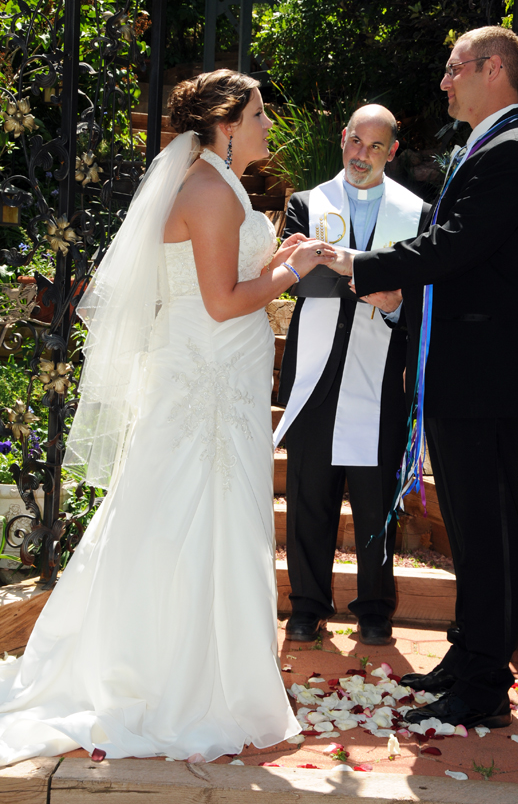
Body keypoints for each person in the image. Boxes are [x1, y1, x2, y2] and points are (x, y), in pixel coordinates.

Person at [0, 69, 336, 765]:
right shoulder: (212, 190)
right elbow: (221, 301)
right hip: (203, 386)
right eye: (259, 112)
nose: (269, 124)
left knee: (204, 520)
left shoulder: (221, 183)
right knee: (188, 519)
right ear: (225, 122)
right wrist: (291, 270)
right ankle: (179, 683)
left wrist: (277, 259)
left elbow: (221, 282)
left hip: (219, 380)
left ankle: (217, 679)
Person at [329, 27, 518, 727]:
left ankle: (487, 679)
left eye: (454, 67)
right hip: (467, 370)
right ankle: (469, 652)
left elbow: (453, 246)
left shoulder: (516, 153)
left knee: (486, 525)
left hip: (484, 374)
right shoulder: (493, 145)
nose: (443, 81)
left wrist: (358, 265)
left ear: (494, 69)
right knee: (468, 523)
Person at [275, 105, 426, 646]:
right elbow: (298, 282)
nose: (362, 155)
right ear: (343, 139)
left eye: (375, 147)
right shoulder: (305, 204)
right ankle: (308, 605)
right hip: (315, 371)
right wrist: (374, 281)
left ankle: (375, 607)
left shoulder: (417, 213)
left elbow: (419, 298)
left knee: (373, 493)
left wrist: (386, 299)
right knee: (309, 493)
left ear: (392, 152)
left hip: (381, 370)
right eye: (355, 142)